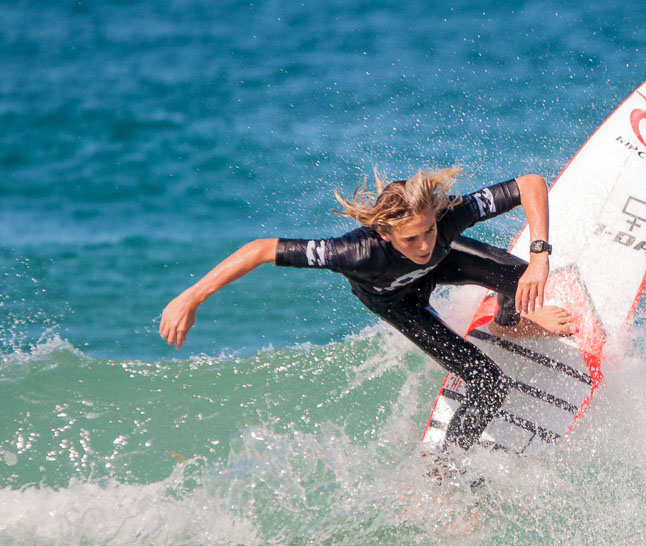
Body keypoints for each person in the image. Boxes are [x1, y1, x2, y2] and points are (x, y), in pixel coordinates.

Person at [159, 167, 573, 455]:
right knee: (488, 383)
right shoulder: (355, 253)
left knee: (521, 275)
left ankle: (508, 323)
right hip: (397, 301)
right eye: (410, 238)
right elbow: (262, 249)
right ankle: (446, 469)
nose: (424, 244)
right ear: (385, 233)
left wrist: (540, 255)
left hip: (442, 268)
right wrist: (191, 297)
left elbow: (530, 184)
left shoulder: (445, 218)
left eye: (429, 229)